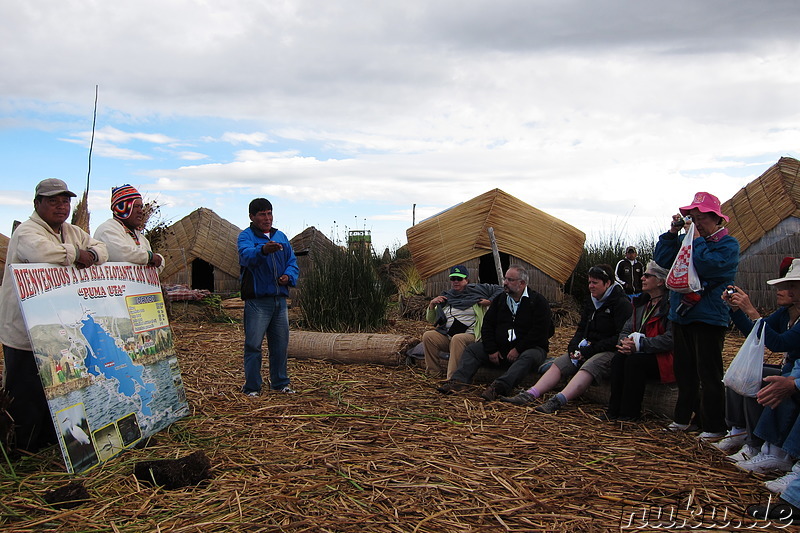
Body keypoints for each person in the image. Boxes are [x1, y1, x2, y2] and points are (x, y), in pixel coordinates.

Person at [0, 178, 108, 451]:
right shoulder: (27, 232)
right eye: (53, 201)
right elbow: (40, 253)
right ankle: (21, 451)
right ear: (37, 204)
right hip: (24, 329)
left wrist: (92, 256)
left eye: (65, 201)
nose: (61, 207)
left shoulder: (72, 231)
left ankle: (48, 442)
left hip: (56, 326)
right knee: (24, 390)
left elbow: (101, 248)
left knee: (54, 389)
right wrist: (77, 254)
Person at [653, 191, 739, 438]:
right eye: (692, 217)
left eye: (701, 217)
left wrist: (697, 239)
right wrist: (672, 234)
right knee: (685, 371)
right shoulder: (687, 241)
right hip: (682, 316)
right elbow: (663, 260)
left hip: (708, 316)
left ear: (716, 219)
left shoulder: (727, 245)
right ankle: (683, 418)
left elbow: (708, 265)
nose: (696, 222)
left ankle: (713, 426)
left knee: (709, 374)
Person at [501, 264, 631, 414]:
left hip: (608, 351)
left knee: (589, 366)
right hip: (588, 347)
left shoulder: (621, 304)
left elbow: (619, 336)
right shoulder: (592, 302)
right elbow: (582, 328)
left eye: (595, 283)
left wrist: (590, 350)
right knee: (560, 363)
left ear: (607, 283)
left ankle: (557, 401)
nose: (591, 286)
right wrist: (573, 346)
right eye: (589, 282)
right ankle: (530, 394)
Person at [716, 257, 800, 468]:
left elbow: (779, 343)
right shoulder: (785, 314)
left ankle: (762, 446)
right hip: (788, 371)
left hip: (795, 375)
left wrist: (752, 311)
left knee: (766, 382)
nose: (779, 291)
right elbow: (753, 333)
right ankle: (739, 431)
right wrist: (736, 309)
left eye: (789, 286)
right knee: (745, 374)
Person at [436, 265, 552, 402]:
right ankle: (458, 383)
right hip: (501, 349)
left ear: (521, 283)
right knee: (473, 350)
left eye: (510, 280)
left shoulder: (538, 301)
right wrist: (491, 349)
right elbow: (487, 325)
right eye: (505, 279)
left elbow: (541, 331)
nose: (505, 283)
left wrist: (518, 349)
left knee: (529, 356)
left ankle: (498, 388)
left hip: (529, 348)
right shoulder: (501, 300)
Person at [237, 198, 299, 396]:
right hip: (257, 301)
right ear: (252, 217)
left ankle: (280, 383)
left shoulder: (280, 237)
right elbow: (245, 256)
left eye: (269, 213)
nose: (267, 218)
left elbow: (292, 261)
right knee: (253, 345)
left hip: (279, 300)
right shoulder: (246, 237)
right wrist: (263, 250)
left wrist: (288, 276)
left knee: (280, 345)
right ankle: (252, 387)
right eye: (262, 214)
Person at [606, 261, 673, 421]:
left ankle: (629, 414)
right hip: (640, 351)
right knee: (618, 359)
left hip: (664, 358)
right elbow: (626, 329)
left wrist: (640, 344)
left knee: (635, 362)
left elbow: (670, 339)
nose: (642, 278)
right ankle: (613, 410)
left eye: (647, 275)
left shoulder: (669, 306)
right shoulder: (643, 304)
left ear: (660, 281)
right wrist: (626, 343)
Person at [422, 265, 502, 380]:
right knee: (428, 336)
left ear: (467, 280)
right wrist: (432, 305)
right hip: (448, 335)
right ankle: (433, 373)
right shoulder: (447, 297)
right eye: (453, 279)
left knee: (457, 338)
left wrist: (490, 301)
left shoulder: (478, 290)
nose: (456, 282)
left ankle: (453, 379)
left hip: (471, 336)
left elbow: (500, 289)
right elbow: (431, 320)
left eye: (459, 279)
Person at [94, 184, 164, 272]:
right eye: (135, 206)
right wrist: (149, 257)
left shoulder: (142, 239)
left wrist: (159, 260)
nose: (140, 211)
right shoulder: (107, 229)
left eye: (141, 207)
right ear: (122, 208)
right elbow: (121, 254)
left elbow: (153, 270)